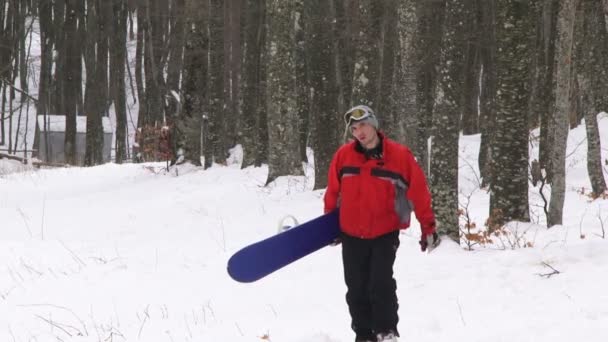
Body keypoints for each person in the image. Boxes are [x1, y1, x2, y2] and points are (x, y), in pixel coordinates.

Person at [323, 105, 440, 342]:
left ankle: (386, 332)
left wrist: (428, 226)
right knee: (356, 288)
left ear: (374, 124)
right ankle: (364, 335)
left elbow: (419, 193)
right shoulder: (343, 156)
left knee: (380, 283)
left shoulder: (399, 156)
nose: (359, 132)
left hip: (384, 233)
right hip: (351, 234)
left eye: (363, 125)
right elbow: (333, 193)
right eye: (354, 129)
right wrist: (329, 226)